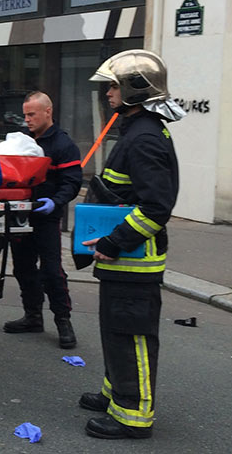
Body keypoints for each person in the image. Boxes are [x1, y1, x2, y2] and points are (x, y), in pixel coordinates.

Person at [79, 50, 183, 440]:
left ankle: (133, 416)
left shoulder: (144, 139)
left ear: (135, 90)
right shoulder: (137, 129)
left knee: (132, 336)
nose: (108, 92)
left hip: (133, 261)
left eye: (114, 86)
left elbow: (157, 207)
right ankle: (116, 395)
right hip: (123, 259)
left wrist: (113, 240)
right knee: (115, 331)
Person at [3, 91, 82, 349]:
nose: (27, 119)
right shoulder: (22, 143)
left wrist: (56, 202)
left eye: (32, 114)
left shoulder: (63, 145)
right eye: (25, 114)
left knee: (52, 271)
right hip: (22, 215)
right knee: (23, 267)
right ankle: (33, 316)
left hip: (47, 217)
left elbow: (71, 183)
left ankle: (63, 321)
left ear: (48, 112)